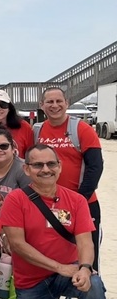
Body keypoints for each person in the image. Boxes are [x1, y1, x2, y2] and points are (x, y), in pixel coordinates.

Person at [0, 144, 111, 299]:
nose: (45, 169)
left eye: (51, 164)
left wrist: (84, 267)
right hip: (31, 281)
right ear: (27, 169)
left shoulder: (77, 200)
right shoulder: (15, 200)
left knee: (95, 285)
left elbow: (85, 242)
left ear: (60, 168)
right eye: (37, 165)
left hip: (68, 273)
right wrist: (59, 267)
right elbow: (18, 245)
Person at [34, 86, 104, 268]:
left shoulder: (82, 129)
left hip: (83, 203)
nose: (54, 105)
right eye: (49, 101)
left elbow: (95, 167)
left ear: (67, 103)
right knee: (54, 255)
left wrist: (78, 201)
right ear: (42, 105)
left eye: (59, 101)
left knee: (88, 260)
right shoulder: (37, 131)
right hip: (48, 205)